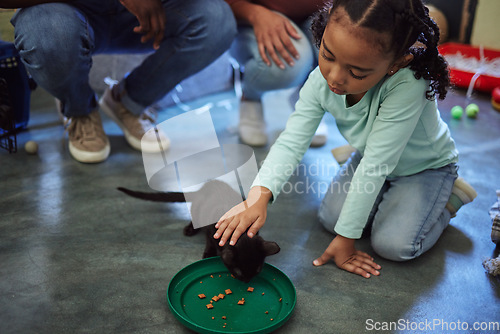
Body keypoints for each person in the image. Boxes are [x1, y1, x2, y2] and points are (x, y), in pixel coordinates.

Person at [213, 0, 478, 278]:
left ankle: (451, 198)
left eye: (356, 72)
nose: (335, 78)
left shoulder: (409, 83)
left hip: (423, 167)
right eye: (327, 55)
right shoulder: (321, 80)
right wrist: (259, 195)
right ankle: (378, 183)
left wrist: (347, 240)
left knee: (394, 246)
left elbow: (377, 164)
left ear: (397, 62)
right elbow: (292, 140)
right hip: (369, 156)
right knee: (330, 219)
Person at [4, 0, 236, 163]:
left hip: (142, 15)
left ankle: (128, 101)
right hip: (66, 13)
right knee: (48, 36)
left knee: (217, 19)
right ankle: (79, 110)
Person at [225, 0, 329, 147]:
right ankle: (250, 98)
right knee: (287, 63)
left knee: (339, 51)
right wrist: (254, 13)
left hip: (320, 11)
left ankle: (308, 99)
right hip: (256, 14)